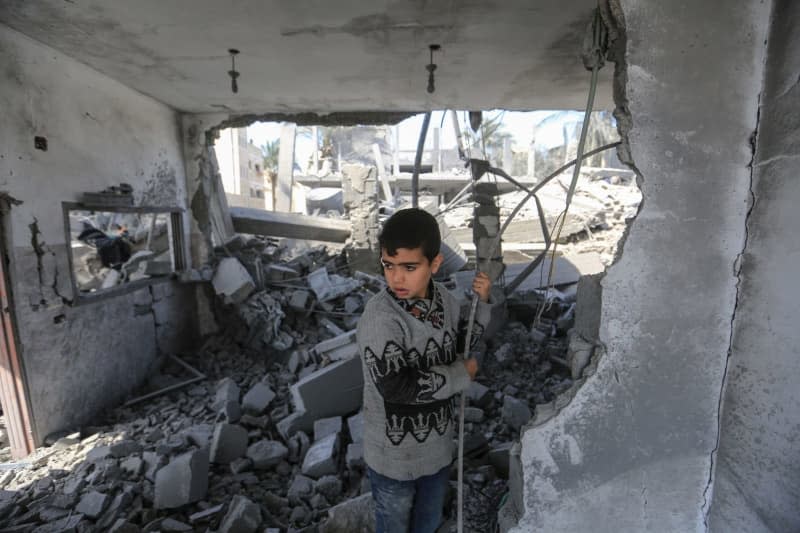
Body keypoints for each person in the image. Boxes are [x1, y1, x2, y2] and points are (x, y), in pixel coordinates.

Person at [357, 208, 493, 533]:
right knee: (394, 525)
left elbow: (460, 345)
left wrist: (481, 304)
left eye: (409, 267)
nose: (396, 278)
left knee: (428, 521)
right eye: (388, 266)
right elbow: (395, 386)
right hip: (393, 460)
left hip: (437, 450)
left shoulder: (445, 301)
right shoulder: (381, 318)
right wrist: (460, 376)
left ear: (434, 264)